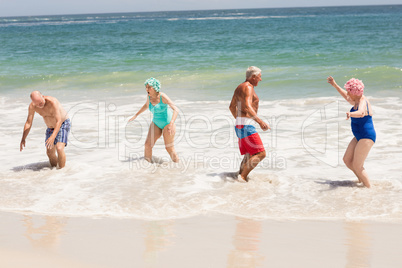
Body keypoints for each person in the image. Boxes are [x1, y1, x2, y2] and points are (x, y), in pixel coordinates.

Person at [327, 76, 376, 188]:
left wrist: (350, 114)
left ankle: (369, 188)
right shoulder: (355, 100)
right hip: (359, 136)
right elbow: (346, 97)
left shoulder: (363, 101)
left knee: (358, 165)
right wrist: (335, 85)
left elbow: (361, 112)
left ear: (354, 92)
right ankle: (361, 181)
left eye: (349, 91)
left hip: (366, 136)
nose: (348, 93)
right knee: (347, 160)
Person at [229, 66, 270, 182]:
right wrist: (260, 122)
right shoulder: (248, 87)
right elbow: (247, 106)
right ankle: (242, 178)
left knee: (248, 154)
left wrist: (239, 121)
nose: (260, 79)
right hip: (246, 126)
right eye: (259, 77)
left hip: (240, 125)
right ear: (253, 77)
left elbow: (231, 106)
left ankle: (239, 175)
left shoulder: (239, 87)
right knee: (261, 154)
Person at [129, 77, 179, 163]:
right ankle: (147, 166)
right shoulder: (149, 97)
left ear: (155, 88)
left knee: (169, 147)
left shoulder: (162, 96)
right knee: (147, 145)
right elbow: (146, 105)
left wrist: (171, 123)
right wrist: (136, 115)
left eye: (149, 87)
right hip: (156, 123)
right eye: (146, 87)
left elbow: (176, 109)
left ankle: (178, 165)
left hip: (168, 123)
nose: (147, 89)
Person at [20, 91, 71, 168]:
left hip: (63, 124)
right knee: (50, 152)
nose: (40, 105)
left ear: (43, 96)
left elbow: (59, 121)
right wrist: (23, 138)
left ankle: (62, 172)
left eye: (40, 102)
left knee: (59, 148)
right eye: (37, 104)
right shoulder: (32, 106)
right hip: (50, 128)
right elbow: (28, 123)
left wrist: (53, 137)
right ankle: (54, 171)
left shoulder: (53, 102)